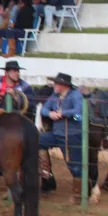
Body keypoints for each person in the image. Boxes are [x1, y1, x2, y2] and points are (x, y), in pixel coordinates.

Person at [39, 73, 91, 204]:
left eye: (57, 83)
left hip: (72, 134)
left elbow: (79, 111)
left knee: (74, 165)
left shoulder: (75, 95)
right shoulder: (55, 95)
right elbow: (44, 109)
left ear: (64, 85)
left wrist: (62, 114)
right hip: (58, 133)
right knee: (37, 140)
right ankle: (46, 172)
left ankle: (79, 194)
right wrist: (50, 113)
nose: (54, 85)